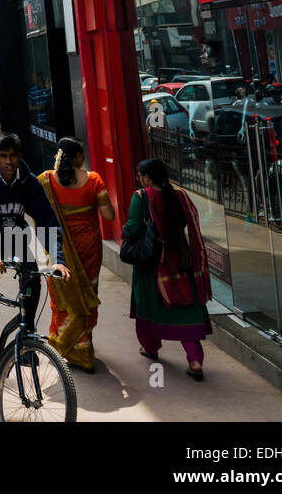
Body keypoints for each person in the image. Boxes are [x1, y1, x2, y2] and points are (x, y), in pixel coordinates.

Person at [0, 132, 69, 399]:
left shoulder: (28, 182)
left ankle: (26, 337)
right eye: (3, 156)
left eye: (14, 156)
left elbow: (47, 220)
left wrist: (57, 260)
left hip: (14, 239)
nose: (9, 162)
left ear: (20, 157)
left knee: (33, 281)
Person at [128, 158, 213, 380]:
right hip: (181, 260)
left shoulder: (141, 198)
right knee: (185, 308)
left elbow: (132, 228)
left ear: (147, 178)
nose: (139, 179)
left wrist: (127, 235)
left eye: (140, 175)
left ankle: (150, 348)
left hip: (152, 263)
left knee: (147, 306)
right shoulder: (180, 196)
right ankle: (195, 360)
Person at [38, 138, 114, 371]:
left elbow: (38, 215)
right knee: (86, 298)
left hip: (58, 251)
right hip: (89, 251)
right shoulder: (93, 181)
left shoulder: (46, 181)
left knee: (62, 299)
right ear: (79, 157)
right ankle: (83, 346)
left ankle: (68, 346)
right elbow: (109, 216)